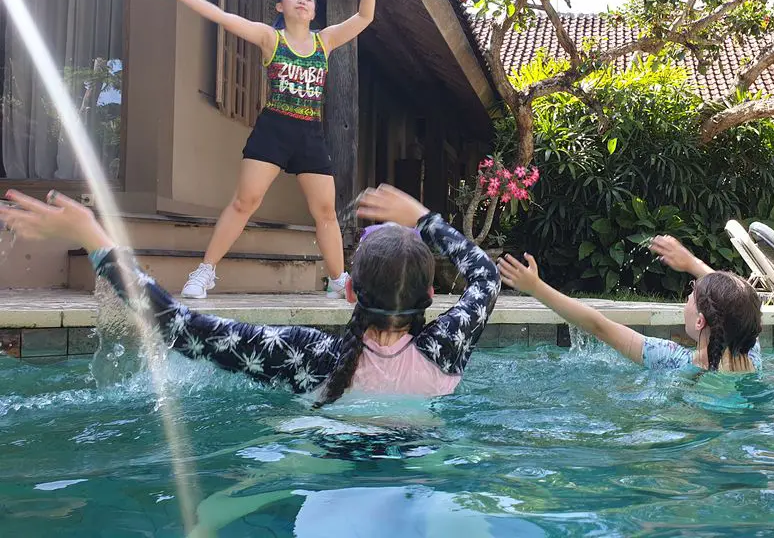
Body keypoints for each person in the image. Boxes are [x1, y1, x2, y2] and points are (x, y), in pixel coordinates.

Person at [0, 185, 500, 407]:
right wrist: (425, 218)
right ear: (431, 295)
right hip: (424, 478)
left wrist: (96, 239)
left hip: (319, 473)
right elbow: (486, 278)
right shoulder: (447, 346)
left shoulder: (308, 353)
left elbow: (178, 326)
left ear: (349, 292)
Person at [135, 0, 376, 299]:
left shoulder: (326, 40)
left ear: (314, 10)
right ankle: (205, 272)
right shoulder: (270, 38)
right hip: (274, 129)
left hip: (310, 133)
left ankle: (337, 280)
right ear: (280, 6)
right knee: (243, 202)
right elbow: (221, 16)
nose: (302, 0)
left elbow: (364, 17)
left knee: (325, 212)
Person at [497, 236, 761, 374]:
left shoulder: (671, 360)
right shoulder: (751, 353)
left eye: (692, 294)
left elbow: (598, 325)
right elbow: (735, 302)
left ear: (701, 320)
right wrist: (692, 263)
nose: (687, 297)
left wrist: (537, 288)